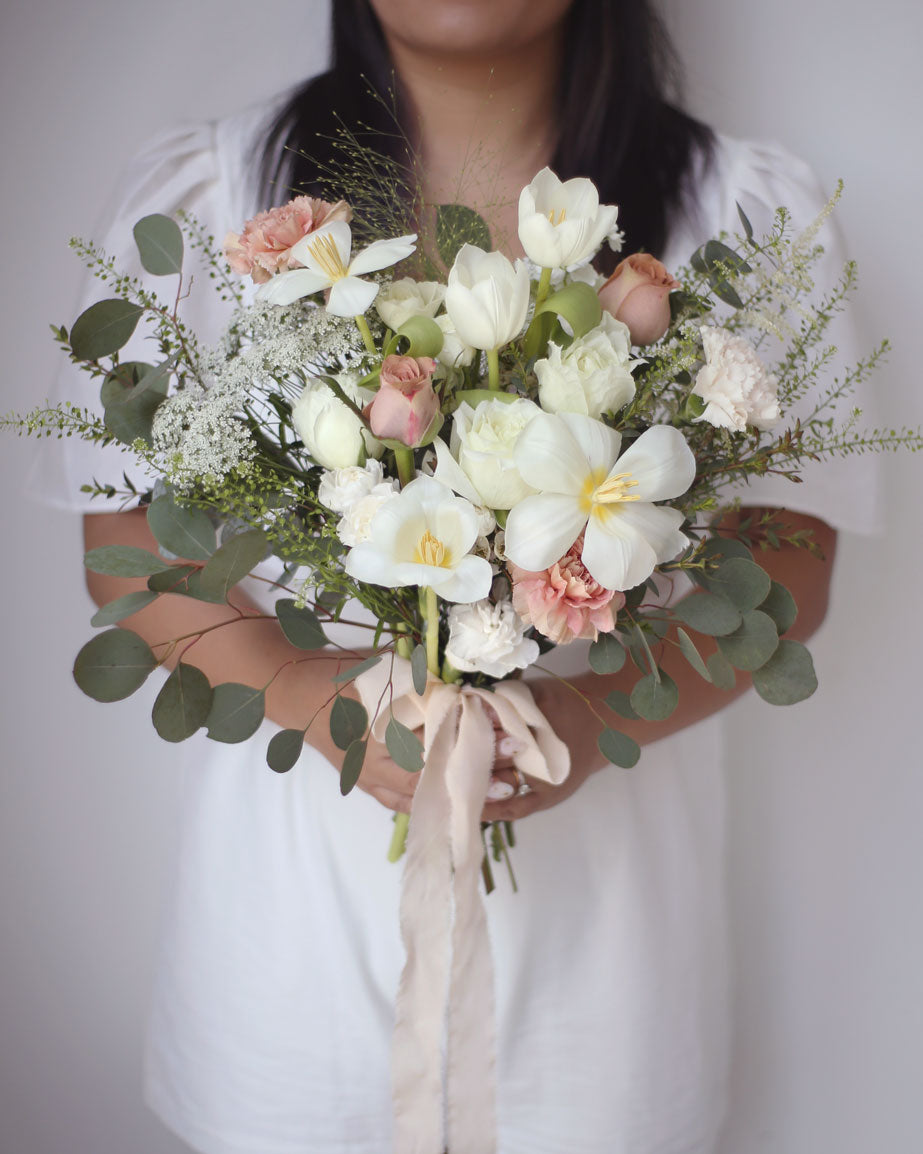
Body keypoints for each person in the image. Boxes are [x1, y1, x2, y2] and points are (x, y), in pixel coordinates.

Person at [42, 1, 876, 1151]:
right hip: (288, 985)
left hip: (607, 999)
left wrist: (582, 715)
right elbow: (133, 545)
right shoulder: (209, 198)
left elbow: (788, 562)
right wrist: (324, 707)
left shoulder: (740, 215)